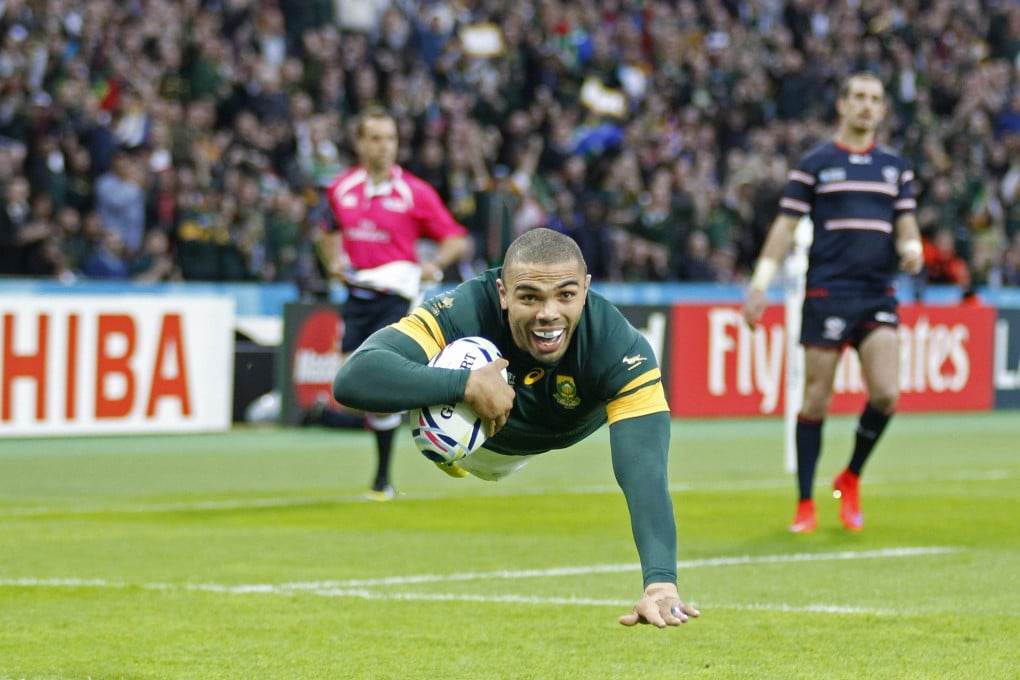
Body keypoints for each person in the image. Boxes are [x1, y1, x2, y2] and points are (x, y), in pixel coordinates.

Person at [333, 227, 700, 628]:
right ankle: (446, 445)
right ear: (503, 293)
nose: (549, 313)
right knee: (459, 359)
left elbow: (645, 471)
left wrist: (661, 583)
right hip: (477, 441)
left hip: (541, 437)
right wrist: (466, 384)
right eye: (529, 296)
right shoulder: (465, 309)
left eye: (566, 294)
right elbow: (353, 379)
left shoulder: (622, 349)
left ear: (586, 289)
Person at [742, 72, 924, 533]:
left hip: (877, 291)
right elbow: (784, 228)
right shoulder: (815, 164)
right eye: (859, 97)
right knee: (815, 399)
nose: (866, 105)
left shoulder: (895, 167)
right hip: (827, 292)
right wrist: (761, 282)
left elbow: (906, 223)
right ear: (842, 105)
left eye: (875, 99)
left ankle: (851, 475)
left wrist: (913, 247)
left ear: (883, 110)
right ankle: (805, 502)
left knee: (886, 393)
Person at [321, 106, 470, 501]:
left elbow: (455, 237)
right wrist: (333, 260)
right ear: (359, 143)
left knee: (382, 382)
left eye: (390, 138)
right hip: (358, 296)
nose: (384, 146)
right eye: (375, 138)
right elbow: (327, 228)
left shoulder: (414, 192)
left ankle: (384, 478)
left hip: (399, 298)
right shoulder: (341, 188)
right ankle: (437, 417)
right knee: (350, 391)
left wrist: (434, 263)